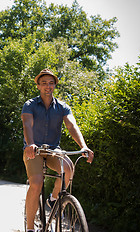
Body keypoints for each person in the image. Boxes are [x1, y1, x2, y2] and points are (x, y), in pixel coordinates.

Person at [21, 68, 94, 232]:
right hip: (35, 150)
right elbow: (27, 125)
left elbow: (72, 125)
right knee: (37, 183)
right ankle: (30, 228)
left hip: (53, 149)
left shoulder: (62, 107)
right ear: (38, 86)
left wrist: (83, 146)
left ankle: (53, 199)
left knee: (68, 169)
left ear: (55, 85)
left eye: (51, 83)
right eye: (44, 83)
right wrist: (30, 144)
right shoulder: (30, 105)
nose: (48, 86)